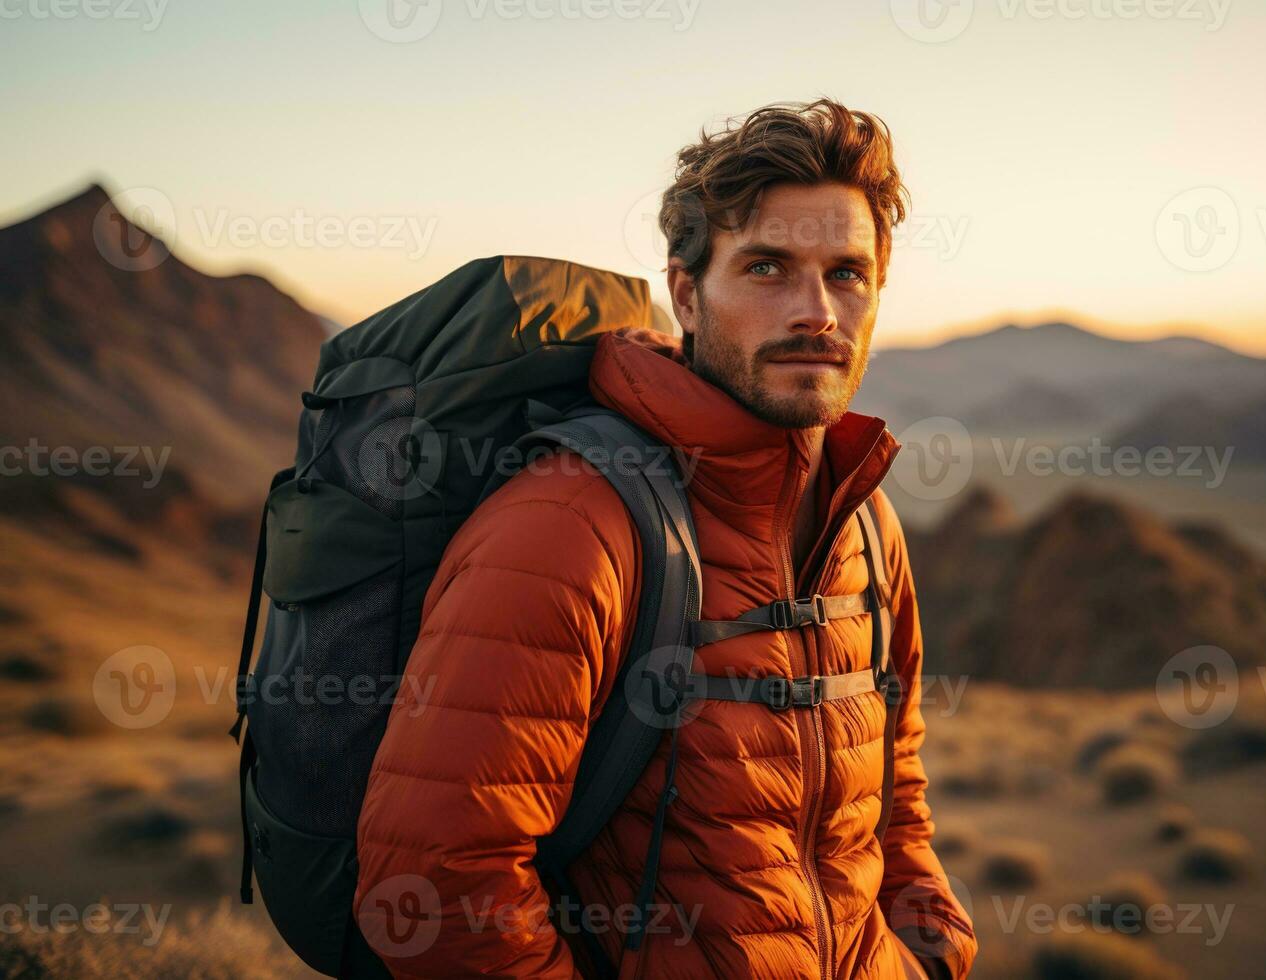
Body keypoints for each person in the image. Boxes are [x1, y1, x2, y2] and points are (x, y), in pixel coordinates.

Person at [353, 98, 978, 980]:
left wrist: (929, 952)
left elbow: (894, 793)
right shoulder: (571, 526)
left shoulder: (862, 521)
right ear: (687, 293)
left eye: (848, 273)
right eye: (767, 268)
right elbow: (438, 885)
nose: (818, 313)